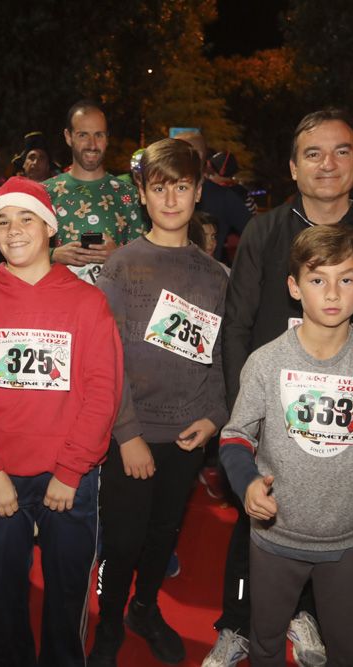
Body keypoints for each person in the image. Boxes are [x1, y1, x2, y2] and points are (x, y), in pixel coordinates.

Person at [205, 108, 353, 667]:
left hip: (344, 409)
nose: (328, 163)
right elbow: (238, 326)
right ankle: (237, 624)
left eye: (342, 151)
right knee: (259, 521)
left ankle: (306, 621)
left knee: (329, 532)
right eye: (314, 153)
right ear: (294, 167)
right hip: (272, 406)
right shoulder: (265, 230)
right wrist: (240, 422)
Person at [0, 176, 122, 667]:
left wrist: (69, 470)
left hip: (70, 479)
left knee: (67, 598)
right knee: (1, 598)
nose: (13, 229)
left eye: (26, 218)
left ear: (49, 227)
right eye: (2, 220)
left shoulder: (87, 304)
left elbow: (102, 395)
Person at [88, 138, 229, 666]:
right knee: (122, 541)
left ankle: (144, 608)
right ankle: (108, 622)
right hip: (131, 434)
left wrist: (214, 417)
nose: (172, 199)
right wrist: (127, 435)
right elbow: (105, 361)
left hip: (187, 434)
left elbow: (218, 358)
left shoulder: (216, 275)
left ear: (197, 192)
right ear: (143, 194)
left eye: (183, 187)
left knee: (163, 535)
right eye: (160, 187)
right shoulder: (122, 266)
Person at [44, 100, 144, 285]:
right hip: (58, 305)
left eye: (99, 135)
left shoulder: (128, 194)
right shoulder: (45, 192)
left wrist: (117, 256)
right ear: (68, 136)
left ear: (107, 137)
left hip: (113, 307)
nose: (92, 144)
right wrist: (52, 254)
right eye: (83, 135)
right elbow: (22, 252)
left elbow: (144, 263)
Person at [176, 132, 252, 262]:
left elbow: (256, 235)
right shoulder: (161, 195)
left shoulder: (223, 197)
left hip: (207, 278)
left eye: (173, 153)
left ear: (197, 156)